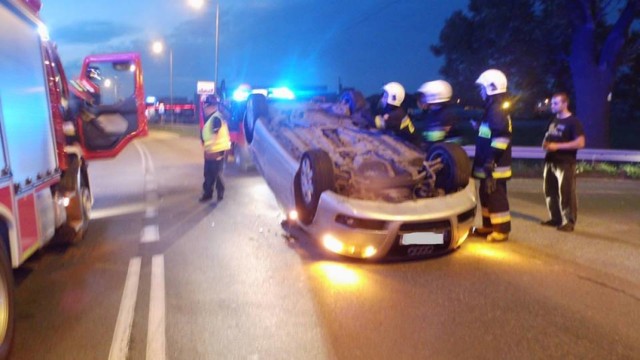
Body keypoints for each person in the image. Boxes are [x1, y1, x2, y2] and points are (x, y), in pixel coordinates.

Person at [471, 69, 513, 242]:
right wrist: (479, 127)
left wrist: (491, 159)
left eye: (482, 88)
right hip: (488, 164)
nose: (481, 92)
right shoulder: (492, 109)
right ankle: (489, 225)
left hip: (494, 165)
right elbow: (491, 133)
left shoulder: (495, 109)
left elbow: (501, 137)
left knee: (496, 196)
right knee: (486, 194)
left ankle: (502, 230)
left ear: (491, 88)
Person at [540, 92, 585, 232]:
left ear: (565, 104)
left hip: (565, 162)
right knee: (549, 191)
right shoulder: (553, 120)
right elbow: (547, 136)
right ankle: (555, 218)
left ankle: (569, 221)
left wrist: (557, 147)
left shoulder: (573, 122)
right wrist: (545, 144)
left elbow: (581, 142)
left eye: (555, 103)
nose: (552, 106)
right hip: (550, 161)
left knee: (566, 192)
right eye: (552, 103)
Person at [199, 95, 231, 202]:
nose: (204, 109)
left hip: (216, 152)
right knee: (210, 173)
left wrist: (210, 148)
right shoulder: (214, 118)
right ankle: (210, 193)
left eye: (205, 107)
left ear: (210, 106)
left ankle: (216, 194)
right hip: (212, 151)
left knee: (216, 173)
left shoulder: (216, 118)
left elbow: (214, 135)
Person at [414, 80, 461, 151]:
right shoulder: (432, 113)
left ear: (434, 96)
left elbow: (448, 144)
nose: (422, 99)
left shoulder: (447, 115)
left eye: (424, 96)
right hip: (434, 153)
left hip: (446, 156)